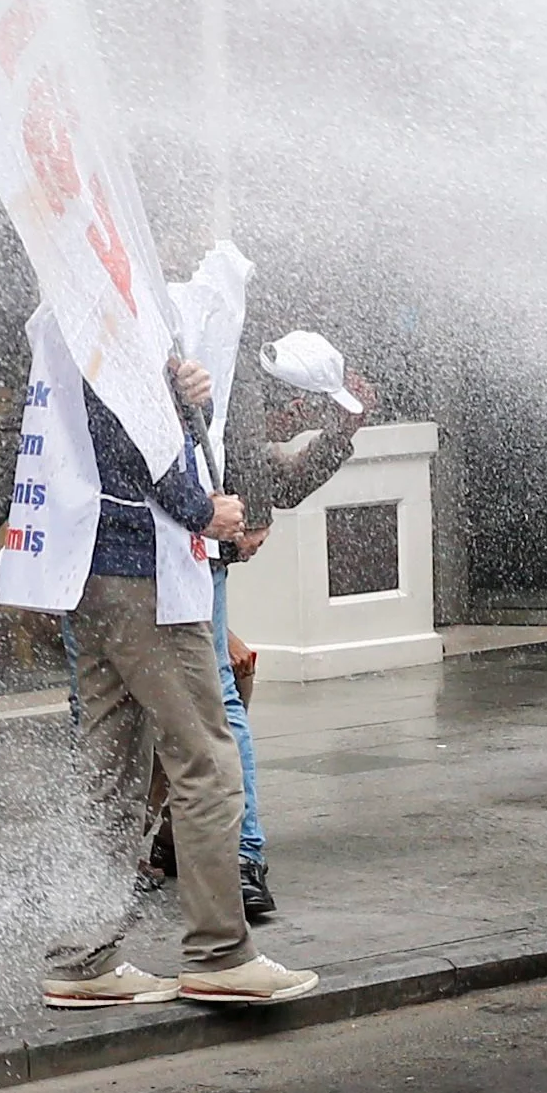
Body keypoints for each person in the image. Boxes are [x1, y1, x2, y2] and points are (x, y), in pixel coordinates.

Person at [0, 320, 317, 1010]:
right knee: (205, 760)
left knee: (110, 769)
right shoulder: (109, 305)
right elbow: (132, 434)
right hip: (144, 575)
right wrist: (202, 510)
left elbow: (72, 427)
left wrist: (190, 402)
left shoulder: (64, 312)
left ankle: (83, 959)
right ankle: (220, 953)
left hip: (88, 571)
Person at [200, 340, 374, 923]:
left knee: (193, 701)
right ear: (296, 405)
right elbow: (258, 469)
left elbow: (280, 481)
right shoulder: (241, 394)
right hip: (165, 562)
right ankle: (240, 861)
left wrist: (340, 440)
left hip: (189, 564)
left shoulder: (240, 391)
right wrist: (247, 524)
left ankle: (174, 846)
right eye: (320, 412)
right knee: (215, 701)